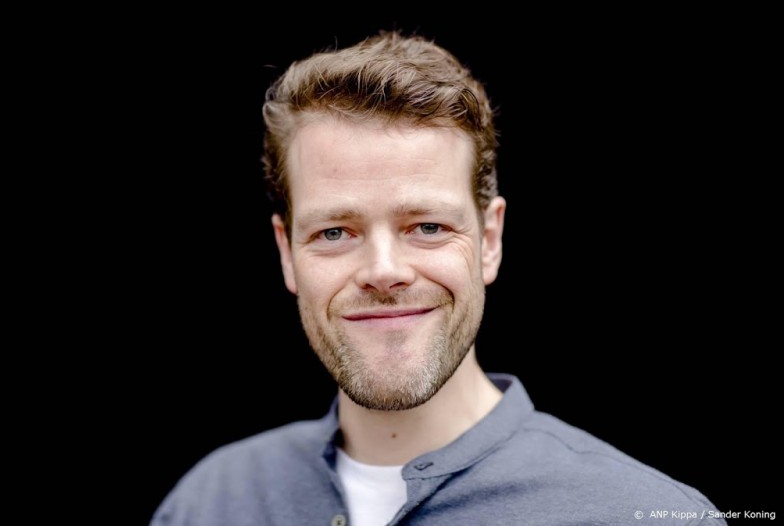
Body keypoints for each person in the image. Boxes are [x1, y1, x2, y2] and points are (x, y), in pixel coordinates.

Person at [151, 30, 725, 525]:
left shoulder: (638, 513)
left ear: (489, 241)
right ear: (286, 252)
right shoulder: (211, 502)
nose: (384, 271)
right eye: (335, 232)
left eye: (427, 226)